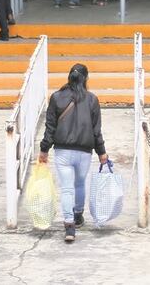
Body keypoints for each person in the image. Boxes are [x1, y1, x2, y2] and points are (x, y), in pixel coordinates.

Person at [38, 63, 107, 244]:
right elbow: (96, 130)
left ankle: (69, 227)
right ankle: (78, 216)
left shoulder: (56, 97)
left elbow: (50, 127)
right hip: (84, 151)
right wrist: (102, 152)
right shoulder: (92, 100)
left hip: (62, 151)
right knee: (79, 184)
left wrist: (44, 149)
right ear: (86, 79)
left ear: (69, 77)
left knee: (67, 188)